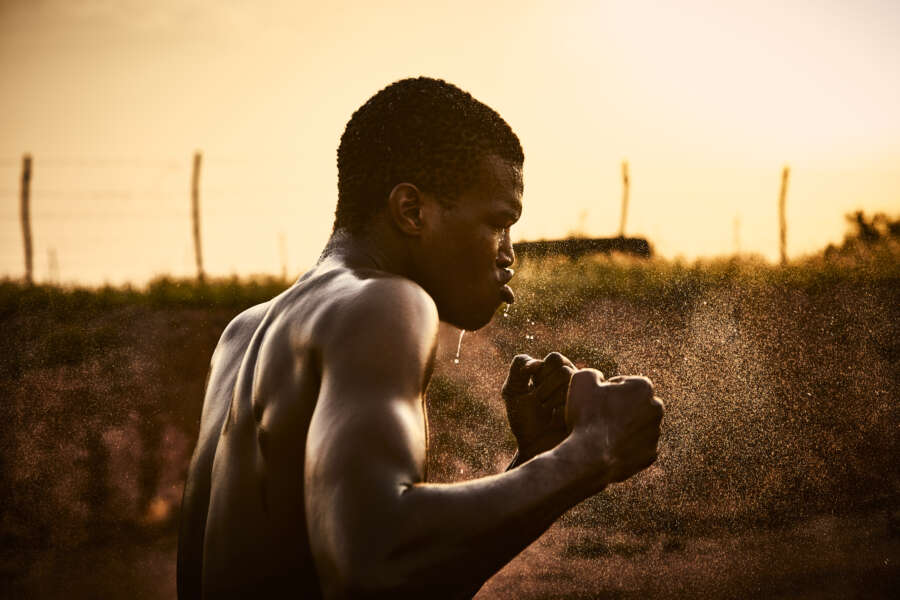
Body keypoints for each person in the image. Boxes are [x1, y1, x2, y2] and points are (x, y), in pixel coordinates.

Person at [177, 77, 664, 599]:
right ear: (412, 211)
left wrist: (537, 459)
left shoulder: (243, 332)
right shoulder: (383, 301)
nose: (508, 253)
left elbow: (401, 576)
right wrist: (596, 451)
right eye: (499, 223)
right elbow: (373, 564)